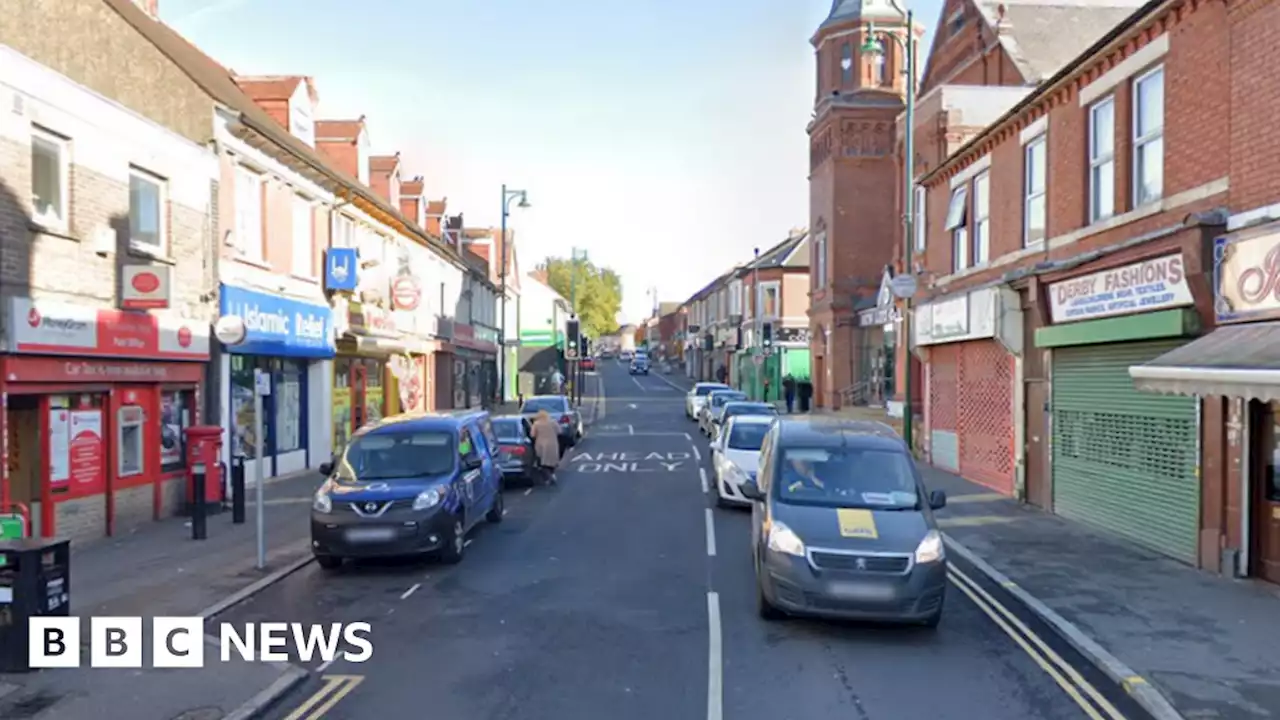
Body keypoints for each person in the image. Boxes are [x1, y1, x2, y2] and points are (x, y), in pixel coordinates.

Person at [530, 409, 562, 485]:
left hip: (541, 445)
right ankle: (552, 474)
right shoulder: (553, 422)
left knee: (542, 463)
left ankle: (549, 477)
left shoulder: (536, 424)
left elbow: (532, 435)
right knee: (552, 461)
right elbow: (560, 431)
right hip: (553, 444)